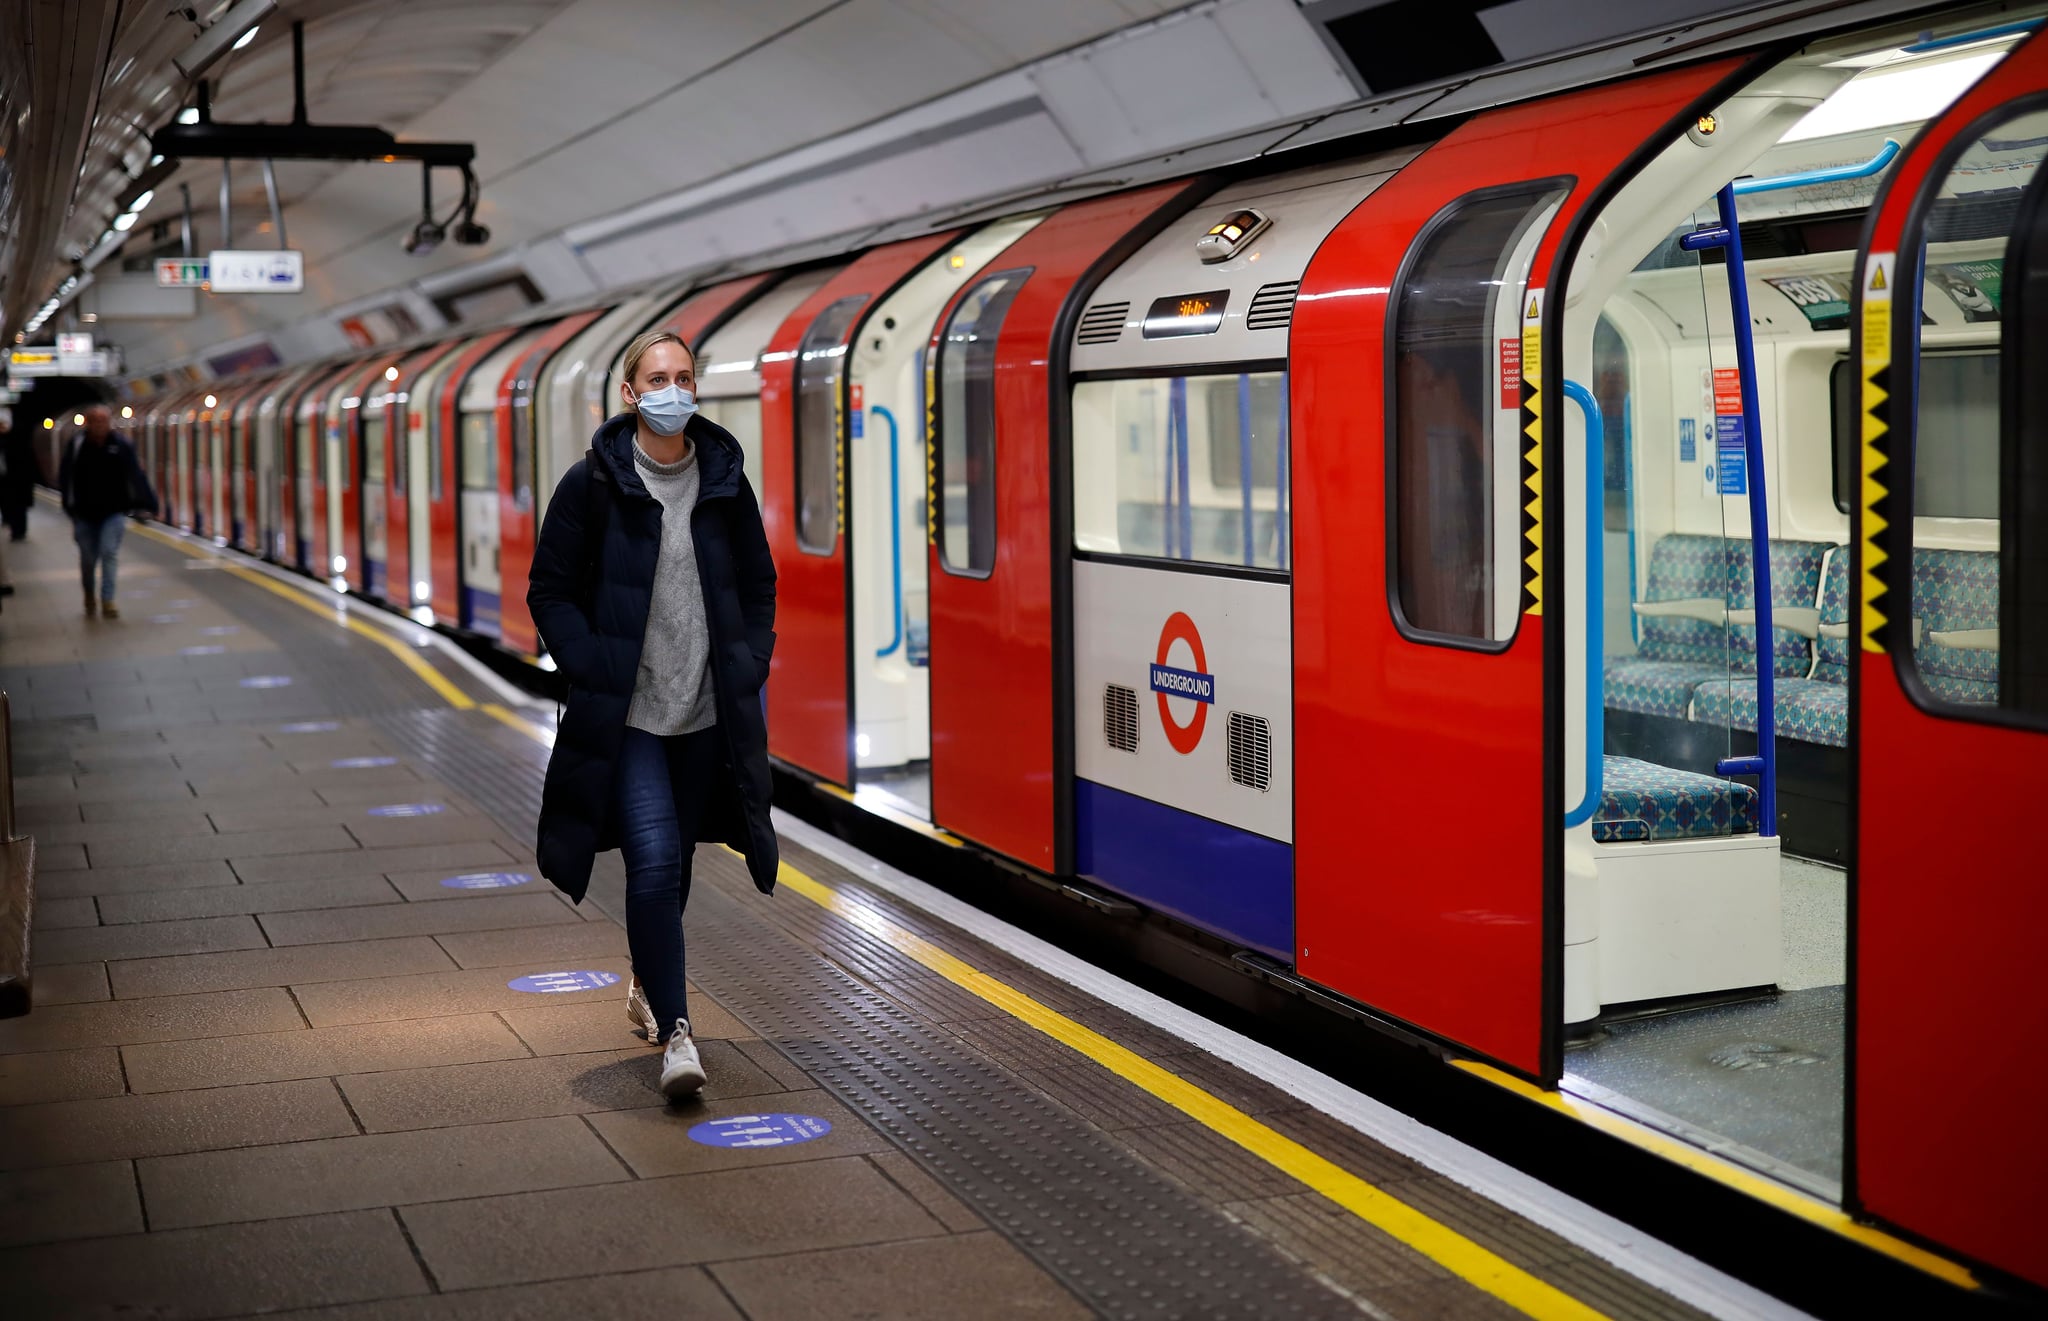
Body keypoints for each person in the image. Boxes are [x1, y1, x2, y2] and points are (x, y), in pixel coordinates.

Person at [527, 329, 778, 1101]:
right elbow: (550, 591)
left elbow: (759, 584)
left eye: (685, 377)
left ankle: (645, 978)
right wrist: (595, 667)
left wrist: (748, 662)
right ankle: (677, 1033)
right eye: (658, 379)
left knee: (678, 869)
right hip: (630, 717)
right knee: (656, 859)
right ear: (632, 395)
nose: (674, 391)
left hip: (706, 715)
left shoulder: (725, 480)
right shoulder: (592, 483)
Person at [58, 404, 158, 619]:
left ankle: (108, 600)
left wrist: (149, 503)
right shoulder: (77, 446)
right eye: (96, 421)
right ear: (88, 423)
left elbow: (135, 474)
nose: (100, 425)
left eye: (104, 421)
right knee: (87, 558)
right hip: (83, 513)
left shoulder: (121, 445)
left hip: (114, 511)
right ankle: (89, 594)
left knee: (109, 552)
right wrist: (68, 505)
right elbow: (66, 476)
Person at [0, 406, 34, 541]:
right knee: (8, 503)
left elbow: (27, 462)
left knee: (19, 507)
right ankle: (14, 526)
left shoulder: (19, 440)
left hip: (19, 481)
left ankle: (19, 531)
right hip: (5, 479)